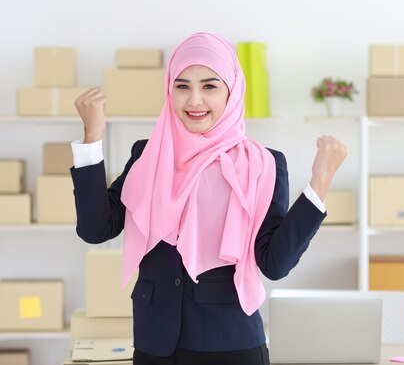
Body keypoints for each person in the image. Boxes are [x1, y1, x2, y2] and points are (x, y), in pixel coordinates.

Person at [70, 32, 347, 365]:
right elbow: (96, 229)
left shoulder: (263, 164)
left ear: (232, 91)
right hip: (154, 344)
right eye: (182, 86)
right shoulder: (148, 155)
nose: (194, 100)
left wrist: (319, 184)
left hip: (230, 343)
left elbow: (274, 264)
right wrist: (92, 139)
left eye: (210, 86)